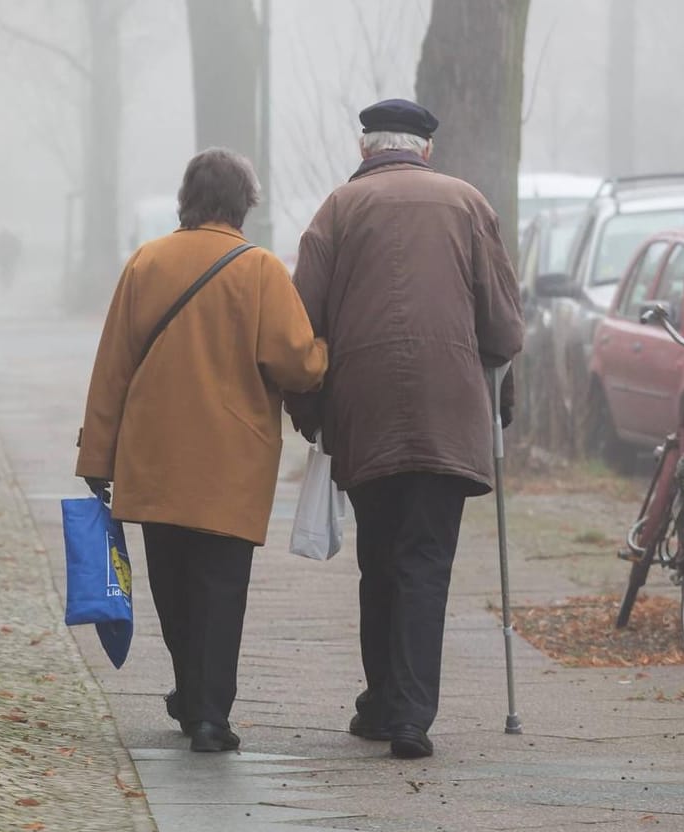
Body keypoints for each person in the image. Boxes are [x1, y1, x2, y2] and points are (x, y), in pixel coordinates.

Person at [286, 99, 523, 760]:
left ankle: (385, 698)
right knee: (425, 560)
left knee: (378, 558)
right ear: (424, 150)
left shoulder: (336, 210)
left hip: (364, 413)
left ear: (366, 150)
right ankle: (409, 714)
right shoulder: (468, 204)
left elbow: (299, 320)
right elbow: (504, 327)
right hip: (449, 412)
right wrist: (501, 401)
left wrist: (310, 414)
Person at [75, 148, 330, 753]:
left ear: (187, 199)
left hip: (155, 457)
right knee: (221, 588)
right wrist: (323, 353)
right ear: (245, 204)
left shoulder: (147, 262)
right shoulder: (261, 270)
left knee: (172, 584)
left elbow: (112, 368)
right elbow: (294, 363)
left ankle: (191, 694)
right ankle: (209, 713)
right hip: (231, 463)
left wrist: (96, 460)